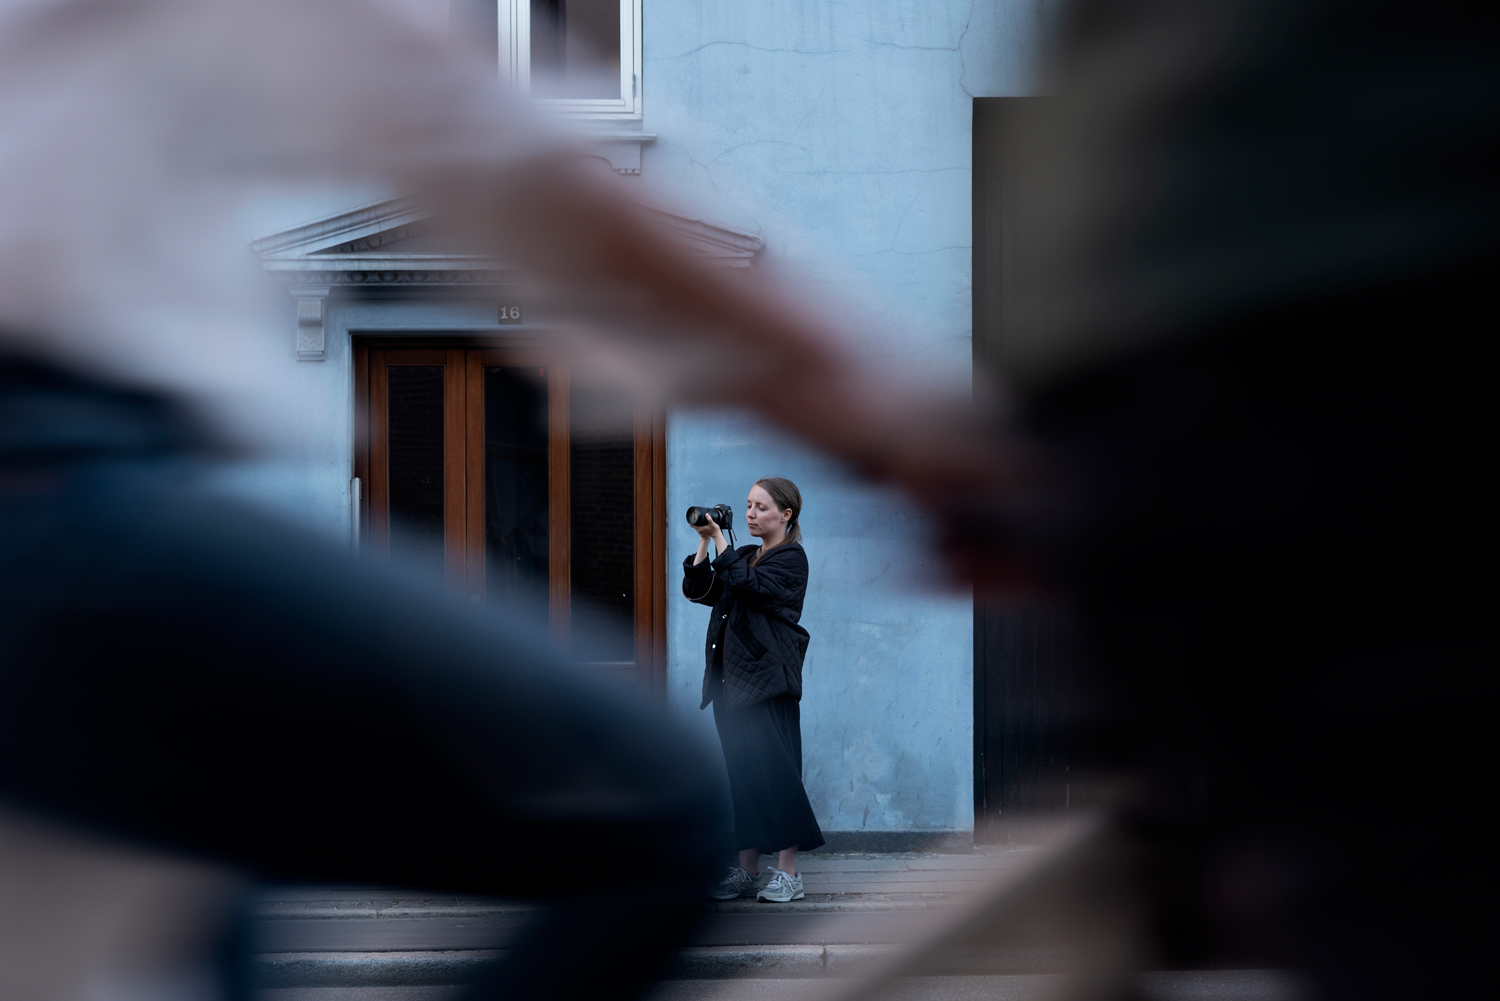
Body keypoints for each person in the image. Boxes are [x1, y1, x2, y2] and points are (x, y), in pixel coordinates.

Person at [682, 477, 824, 903]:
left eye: (761, 507)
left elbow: (751, 587)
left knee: (777, 775)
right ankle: (746, 872)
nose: (749, 514)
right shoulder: (742, 554)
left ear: (786, 514)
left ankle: (789, 874)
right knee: (742, 777)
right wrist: (706, 544)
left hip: (768, 683)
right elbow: (698, 591)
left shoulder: (791, 559)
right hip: (730, 683)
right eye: (747, 506)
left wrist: (723, 549)